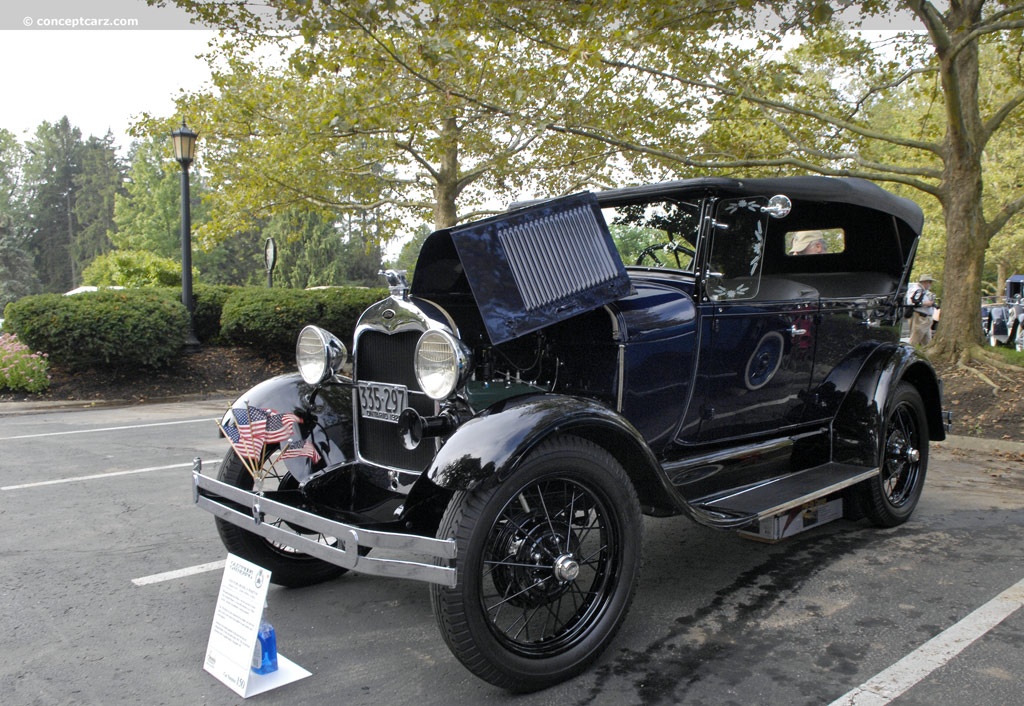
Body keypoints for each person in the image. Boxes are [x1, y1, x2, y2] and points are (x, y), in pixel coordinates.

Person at [907, 274, 937, 345]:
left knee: (928, 342)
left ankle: (927, 355)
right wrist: (927, 303)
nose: (930, 284)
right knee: (914, 340)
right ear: (925, 282)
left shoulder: (924, 291)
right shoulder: (916, 289)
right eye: (929, 282)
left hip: (926, 319)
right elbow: (911, 302)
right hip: (920, 318)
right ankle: (909, 353)